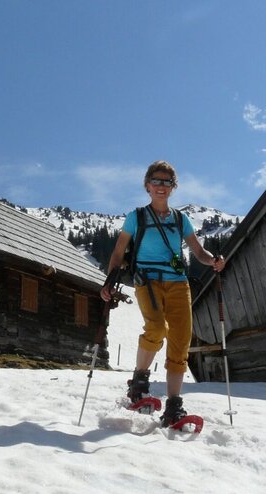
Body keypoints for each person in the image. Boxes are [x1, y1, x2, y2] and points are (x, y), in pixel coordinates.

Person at [100, 160, 226, 427]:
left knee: (180, 341)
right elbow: (118, 252)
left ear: (173, 187)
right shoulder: (137, 217)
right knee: (157, 328)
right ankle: (139, 381)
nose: (161, 186)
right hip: (147, 281)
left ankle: (173, 406)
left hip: (179, 283)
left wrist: (213, 260)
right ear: (147, 185)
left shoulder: (181, 220)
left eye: (166, 182)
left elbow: (198, 252)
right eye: (156, 181)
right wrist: (109, 281)